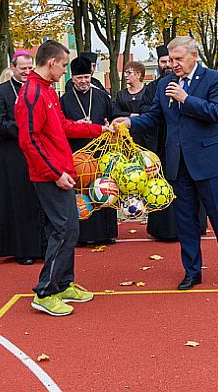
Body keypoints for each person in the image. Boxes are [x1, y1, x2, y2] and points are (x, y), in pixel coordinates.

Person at [113, 36, 218, 290]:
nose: (173, 64)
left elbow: (217, 113)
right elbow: (153, 117)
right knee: (184, 221)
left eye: (178, 59)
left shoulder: (214, 79)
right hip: (178, 164)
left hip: (208, 163)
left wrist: (186, 98)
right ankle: (192, 271)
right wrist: (129, 122)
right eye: (171, 60)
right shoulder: (165, 84)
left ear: (193, 56)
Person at [15, 40, 110, 316]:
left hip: (61, 171)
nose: (66, 71)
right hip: (50, 175)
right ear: (52, 62)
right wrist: (55, 174)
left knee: (70, 228)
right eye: (65, 65)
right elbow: (29, 141)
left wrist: (96, 130)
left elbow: (62, 127)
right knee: (63, 229)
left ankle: (63, 283)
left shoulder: (48, 91)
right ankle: (45, 292)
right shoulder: (32, 93)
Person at [140, 46, 207, 242]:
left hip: (192, 148)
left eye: (173, 60)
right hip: (164, 145)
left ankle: (198, 225)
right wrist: (130, 121)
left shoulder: (202, 81)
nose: (169, 65)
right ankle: (166, 230)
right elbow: (150, 111)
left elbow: (213, 111)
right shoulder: (157, 87)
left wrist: (183, 99)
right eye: (164, 62)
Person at [0, 50, 46, 265]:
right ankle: (23, 249)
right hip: (14, 155)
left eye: (29, 68)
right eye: (22, 68)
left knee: (38, 199)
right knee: (19, 200)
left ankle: (41, 246)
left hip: (37, 153)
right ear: (13, 68)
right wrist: (23, 128)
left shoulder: (37, 89)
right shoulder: (1, 91)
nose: (26, 72)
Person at [60, 55, 118, 245]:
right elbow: (60, 127)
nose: (84, 81)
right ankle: (82, 235)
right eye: (79, 78)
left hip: (100, 151)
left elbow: (112, 119)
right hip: (76, 152)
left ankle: (105, 233)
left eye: (86, 77)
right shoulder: (65, 99)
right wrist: (76, 125)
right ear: (72, 78)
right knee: (81, 191)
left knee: (102, 188)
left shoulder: (101, 96)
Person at [112, 61, 153, 147]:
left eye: (129, 72)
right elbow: (116, 112)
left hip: (146, 136)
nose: (126, 75)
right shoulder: (121, 94)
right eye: (125, 73)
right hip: (126, 137)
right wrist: (130, 115)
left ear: (138, 74)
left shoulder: (149, 92)